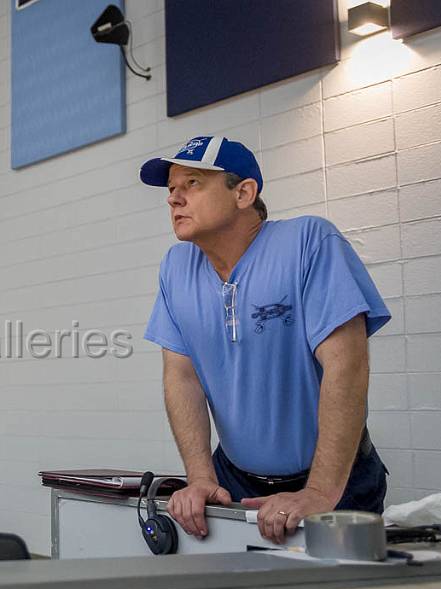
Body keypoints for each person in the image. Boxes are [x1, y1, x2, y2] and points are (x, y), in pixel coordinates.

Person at [141, 135, 390, 544]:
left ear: (243, 193)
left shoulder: (309, 242)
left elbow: (347, 364)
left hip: (334, 485)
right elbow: (181, 378)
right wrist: (201, 478)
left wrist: (320, 492)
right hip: (234, 482)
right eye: (171, 189)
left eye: (192, 184)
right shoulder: (175, 267)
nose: (174, 199)